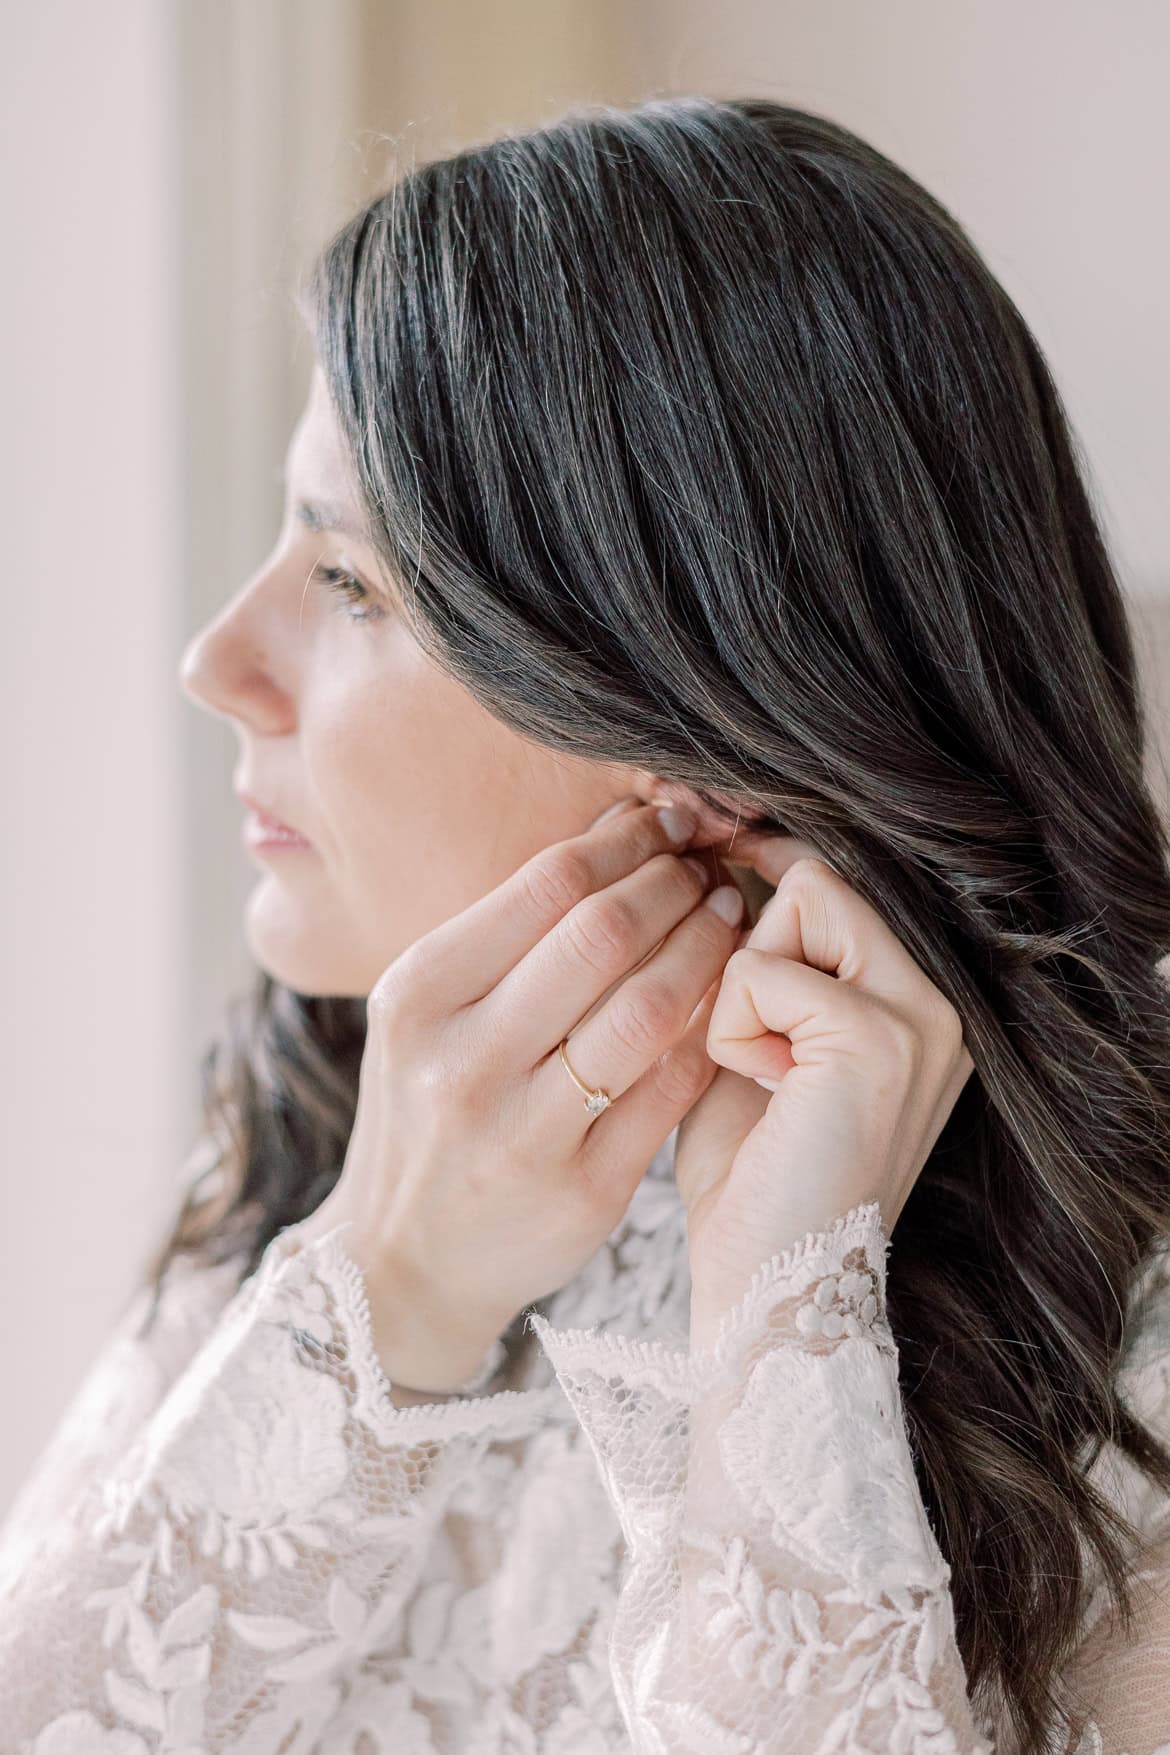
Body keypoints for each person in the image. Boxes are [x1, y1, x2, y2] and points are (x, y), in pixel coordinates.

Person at [2, 92, 1169, 1755]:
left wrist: (785, 1309)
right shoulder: (328, 1114)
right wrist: (378, 1298)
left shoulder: (1130, 1346)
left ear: (710, 744)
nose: (217, 661)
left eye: (349, 586)